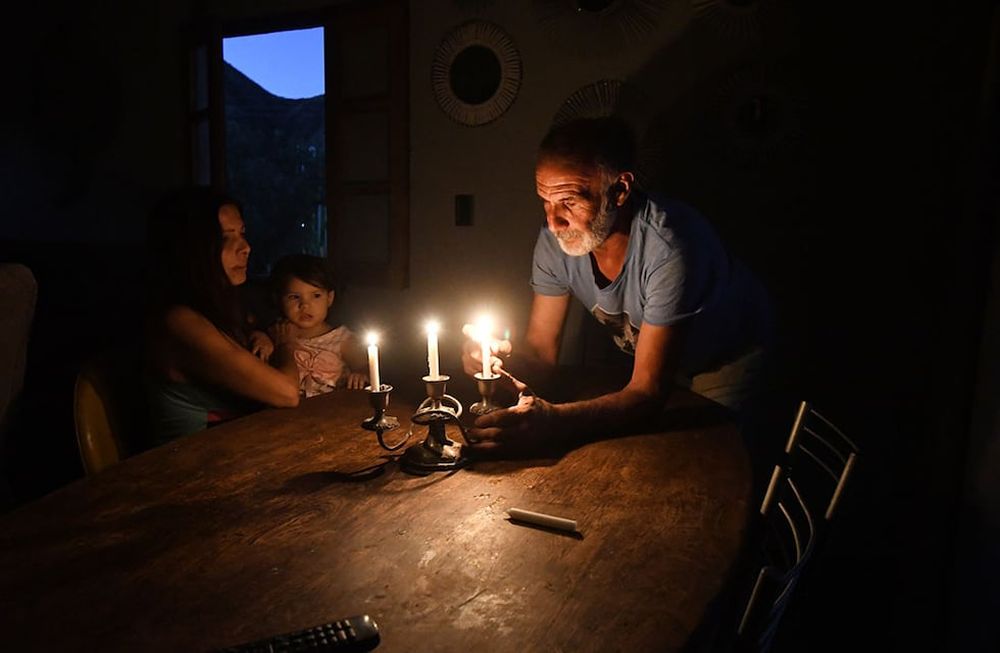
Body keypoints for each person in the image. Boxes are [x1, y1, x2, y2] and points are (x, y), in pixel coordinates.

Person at [462, 116, 772, 454]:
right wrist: (496, 363)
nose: (553, 222)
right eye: (545, 201)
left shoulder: (670, 248)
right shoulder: (556, 239)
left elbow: (646, 393)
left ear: (620, 190)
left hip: (727, 361)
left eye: (569, 201)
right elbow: (541, 355)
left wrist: (554, 421)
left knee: (715, 464)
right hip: (661, 367)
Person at [145, 187, 300, 444]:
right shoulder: (180, 322)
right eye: (227, 237)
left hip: (239, 455)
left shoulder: (223, 307)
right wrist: (286, 343)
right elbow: (287, 392)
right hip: (195, 472)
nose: (246, 247)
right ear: (191, 247)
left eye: (242, 233)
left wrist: (260, 333)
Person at [269, 254, 368, 397]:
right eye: (294, 297)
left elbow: (366, 366)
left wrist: (360, 375)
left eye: (316, 296)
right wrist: (262, 339)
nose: (305, 305)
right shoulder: (279, 334)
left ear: (329, 298)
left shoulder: (341, 339)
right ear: (279, 299)